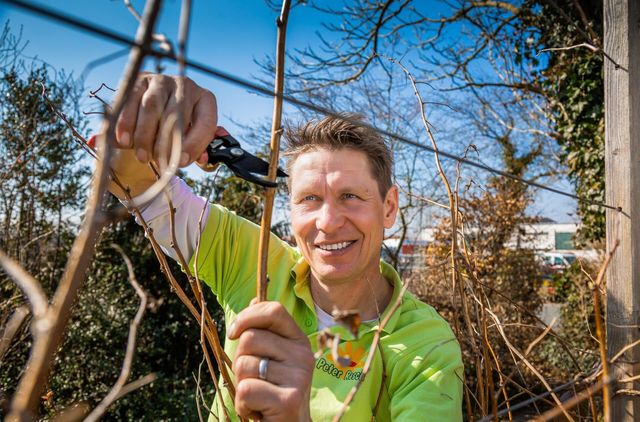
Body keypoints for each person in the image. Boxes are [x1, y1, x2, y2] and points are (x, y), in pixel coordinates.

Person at [108, 74, 463, 421]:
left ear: (389, 207)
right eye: (309, 198)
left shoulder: (427, 347)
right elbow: (129, 180)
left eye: (350, 196)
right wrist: (148, 108)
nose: (327, 222)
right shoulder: (253, 259)